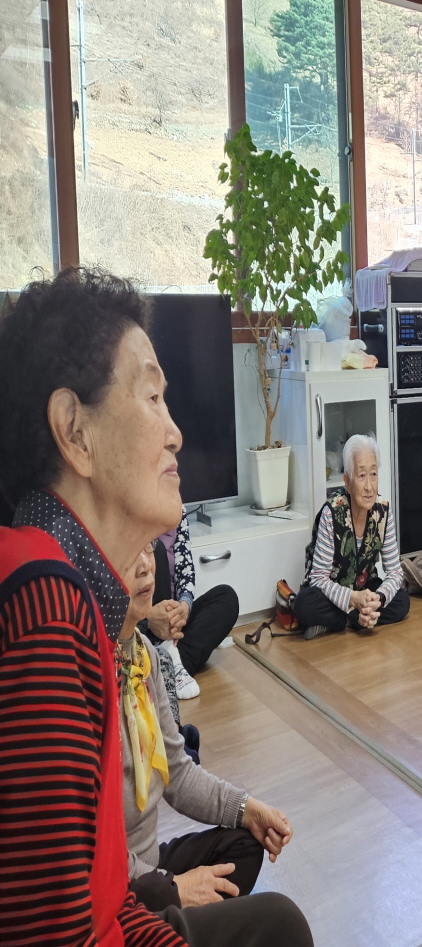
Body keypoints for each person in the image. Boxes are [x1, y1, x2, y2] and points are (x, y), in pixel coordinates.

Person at [0, 267, 311, 946]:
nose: (175, 432)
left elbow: (101, 899)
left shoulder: (80, 605)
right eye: (151, 396)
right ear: (74, 432)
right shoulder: (45, 608)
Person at [120, 547, 296, 915]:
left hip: (149, 865)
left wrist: (248, 809)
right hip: (118, 886)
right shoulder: (80, 674)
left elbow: (178, 774)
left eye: (149, 546)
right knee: (282, 919)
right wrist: (170, 889)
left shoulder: (144, 656)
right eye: (128, 547)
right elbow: (85, 854)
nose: (145, 565)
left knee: (245, 843)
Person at [295, 433, 410, 640]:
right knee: (304, 604)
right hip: (331, 592)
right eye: (361, 475)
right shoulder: (332, 513)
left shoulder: (384, 511)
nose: (369, 486)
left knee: (402, 600)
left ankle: (354, 618)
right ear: (347, 482)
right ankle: (354, 618)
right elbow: (319, 578)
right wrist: (352, 599)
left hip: (365, 588)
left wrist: (379, 600)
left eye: (373, 474)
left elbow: (395, 573)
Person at [141, 514, 240, 700]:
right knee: (157, 550)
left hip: (174, 621)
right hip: (140, 623)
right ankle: (165, 662)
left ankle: (166, 666)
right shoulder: (125, 508)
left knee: (226, 598)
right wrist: (147, 618)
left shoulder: (178, 512)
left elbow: (186, 571)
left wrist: (184, 608)